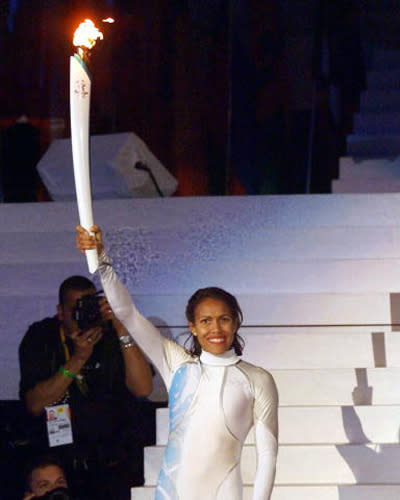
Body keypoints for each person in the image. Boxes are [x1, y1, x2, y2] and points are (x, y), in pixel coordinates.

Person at [76, 225, 279, 499]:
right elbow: (127, 313)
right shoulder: (178, 365)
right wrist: (102, 260)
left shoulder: (257, 379)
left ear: (236, 323)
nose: (215, 329)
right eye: (206, 321)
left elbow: (267, 456)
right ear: (193, 327)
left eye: (224, 319)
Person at [18, 275, 154, 499]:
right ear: (60, 312)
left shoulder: (113, 335)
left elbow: (143, 389)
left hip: (113, 462)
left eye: (90, 308)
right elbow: (34, 404)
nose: (85, 316)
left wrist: (121, 328)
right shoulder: (41, 337)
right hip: (62, 467)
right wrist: (78, 359)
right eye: (76, 310)